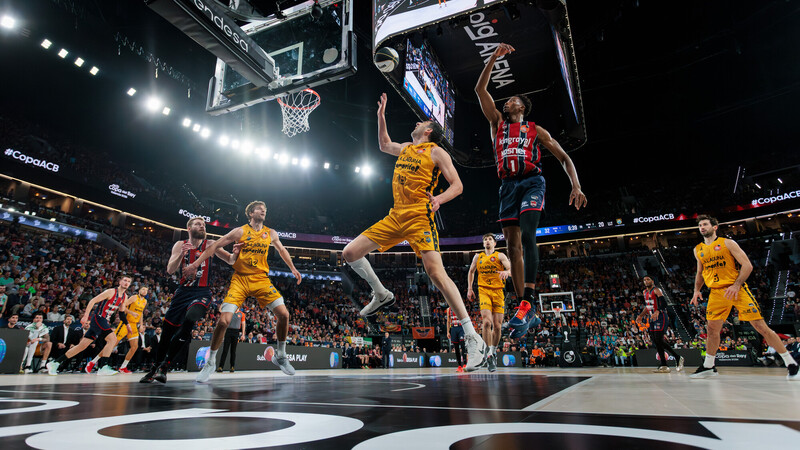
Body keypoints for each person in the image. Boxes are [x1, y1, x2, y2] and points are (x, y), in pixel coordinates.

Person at [341, 93, 487, 372]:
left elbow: (457, 185)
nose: (417, 122)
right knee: (350, 253)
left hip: (420, 216)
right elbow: (384, 145)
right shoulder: (407, 147)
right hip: (396, 216)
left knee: (435, 273)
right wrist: (380, 115)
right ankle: (381, 293)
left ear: (429, 130)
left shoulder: (436, 152)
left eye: (422, 121)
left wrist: (439, 200)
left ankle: (472, 336)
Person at [475, 43, 586, 338]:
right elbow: (479, 90)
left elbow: (563, 156)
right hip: (507, 187)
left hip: (531, 182)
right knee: (511, 247)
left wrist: (575, 184)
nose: (506, 103)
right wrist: (492, 59)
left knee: (527, 235)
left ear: (521, 107)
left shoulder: (536, 130)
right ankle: (527, 310)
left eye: (511, 100)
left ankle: (528, 301)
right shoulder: (497, 124)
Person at [183, 201, 302, 383]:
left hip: (261, 280)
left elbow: (281, 249)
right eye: (259, 209)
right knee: (224, 321)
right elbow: (214, 247)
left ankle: (281, 355)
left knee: (284, 314)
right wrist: (194, 264)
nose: (263, 210)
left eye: (265, 209)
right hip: (240, 279)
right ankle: (211, 362)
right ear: (250, 213)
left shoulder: (270, 233)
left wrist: (293, 268)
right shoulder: (240, 231)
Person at [690, 215, 798, 380]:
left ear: (715, 227)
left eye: (705, 224)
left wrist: (736, 284)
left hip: (736, 289)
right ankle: (709, 366)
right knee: (712, 330)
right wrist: (697, 290)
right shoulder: (698, 249)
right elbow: (699, 273)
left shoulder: (727, 243)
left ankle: (791, 363)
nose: (702, 227)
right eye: (700, 226)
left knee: (760, 327)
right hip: (716, 292)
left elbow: (747, 265)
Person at [140, 217, 239, 384]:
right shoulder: (180, 244)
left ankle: (166, 365)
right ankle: (155, 369)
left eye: (203, 224)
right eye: (197, 224)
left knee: (190, 319)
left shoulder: (210, 244)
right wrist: (181, 255)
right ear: (189, 228)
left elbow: (230, 260)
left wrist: (235, 253)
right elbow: (170, 270)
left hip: (202, 292)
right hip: (182, 292)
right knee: (166, 334)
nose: (201, 226)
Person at [47, 274, 132, 376]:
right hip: (98, 318)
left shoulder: (125, 297)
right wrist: (86, 315)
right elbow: (92, 301)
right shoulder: (110, 292)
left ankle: (54, 363)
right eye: (125, 280)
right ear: (120, 282)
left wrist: (127, 324)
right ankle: (102, 367)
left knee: (81, 346)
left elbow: (122, 313)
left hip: (104, 320)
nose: (126, 283)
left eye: (128, 281)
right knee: (112, 339)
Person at [467, 233, 511, 372]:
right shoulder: (477, 257)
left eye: (490, 239)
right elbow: (471, 271)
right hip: (483, 291)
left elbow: (511, 269)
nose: (487, 241)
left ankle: (493, 351)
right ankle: (487, 352)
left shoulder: (500, 256)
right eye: (485, 239)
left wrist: (507, 273)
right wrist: (469, 288)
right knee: (486, 323)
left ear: (494, 243)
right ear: (483, 243)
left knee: (497, 326)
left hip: (498, 292)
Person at [637, 276, 684, 373]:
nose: (646, 281)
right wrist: (641, 315)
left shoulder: (657, 290)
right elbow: (648, 306)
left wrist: (658, 311)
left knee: (658, 339)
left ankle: (677, 357)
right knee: (655, 341)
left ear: (652, 281)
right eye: (644, 280)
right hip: (651, 318)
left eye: (648, 279)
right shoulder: (644, 292)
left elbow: (664, 303)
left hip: (660, 317)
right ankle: (664, 365)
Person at [115, 286, 149, 374]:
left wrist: (141, 325)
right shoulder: (134, 297)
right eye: (143, 289)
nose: (144, 291)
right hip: (126, 322)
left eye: (146, 290)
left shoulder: (145, 301)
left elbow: (140, 313)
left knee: (134, 347)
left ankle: (123, 367)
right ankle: (98, 363)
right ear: (139, 290)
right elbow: (123, 306)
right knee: (113, 343)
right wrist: (131, 312)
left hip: (134, 325)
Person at [218, 307, 246, 373]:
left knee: (233, 351)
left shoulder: (242, 314)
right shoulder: (230, 312)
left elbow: (243, 324)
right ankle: (220, 366)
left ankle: (232, 366)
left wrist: (243, 334)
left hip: (236, 332)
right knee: (225, 350)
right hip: (228, 331)